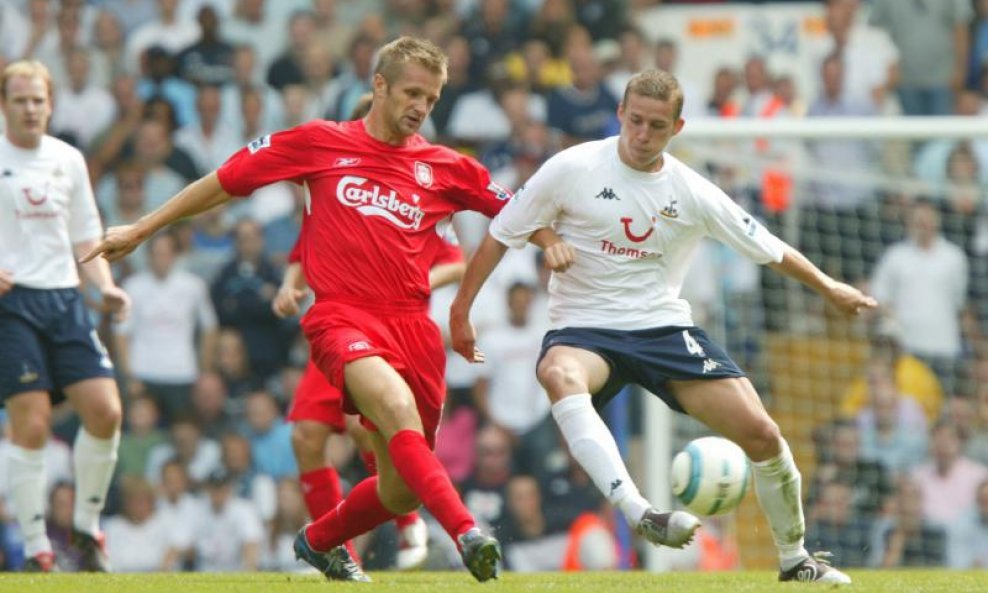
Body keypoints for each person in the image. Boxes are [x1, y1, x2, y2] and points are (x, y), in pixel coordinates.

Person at [82, 36, 559, 583]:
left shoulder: (445, 166)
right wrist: (142, 229)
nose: (420, 108)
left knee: (398, 488)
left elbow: (517, 210)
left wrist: (557, 245)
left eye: (430, 99)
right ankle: (469, 533)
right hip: (344, 317)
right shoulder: (319, 143)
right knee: (386, 412)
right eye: (410, 93)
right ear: (377, 85)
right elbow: (222, 184)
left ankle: (318, 540)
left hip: (414, 328)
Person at [450, 68, 877, 584]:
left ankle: (795, 559)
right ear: (620, 115)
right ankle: (639, 512)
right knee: (558, 374)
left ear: (677, 127)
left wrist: (829, 287)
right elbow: (501, 232)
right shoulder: (573, 167)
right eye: (635, 121)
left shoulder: (691, 191)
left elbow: (769, 247)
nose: (643, 135)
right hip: (586, 329)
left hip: (662, 329)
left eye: (656, 125)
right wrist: (461, 310)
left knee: (764, 435)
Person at [274, 224, 467, 571]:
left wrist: (417, 281)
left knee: (367, 426)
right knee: (305, 437)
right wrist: (289, 286)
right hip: (339, 324)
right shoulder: (334, 188)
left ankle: (408, 521)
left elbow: (456, 262)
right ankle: (339, 553)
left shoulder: (416, 192)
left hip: (393, 329)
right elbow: (306, 247)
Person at [0, 60, 129, 573]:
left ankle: (86, 528)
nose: (30, 109)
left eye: (38, 100)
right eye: (19, 100)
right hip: (13, 306)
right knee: (29, 424)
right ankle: (36, 547)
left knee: (107, 411)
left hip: (65, 299)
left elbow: (85, 232)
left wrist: (107, 287)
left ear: (51, 104)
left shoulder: (68, 159)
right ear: (4, 105)